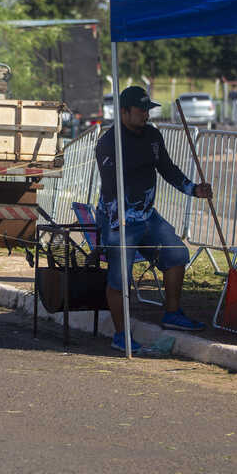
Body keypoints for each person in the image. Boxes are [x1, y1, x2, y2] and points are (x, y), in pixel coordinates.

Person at [96, 86, 214, 353]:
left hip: (148, 216)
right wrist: (118, 223)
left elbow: (167, 169)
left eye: (148, 110)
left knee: (176, 255)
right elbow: (111, 185)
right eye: (141, 110)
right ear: (124, 112)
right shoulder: (108, 142)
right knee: (119, 279)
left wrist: (193, 189)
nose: (146, 115)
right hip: (118, 220)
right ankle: (121, 335)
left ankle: (172, 313)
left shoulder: (152, 135)